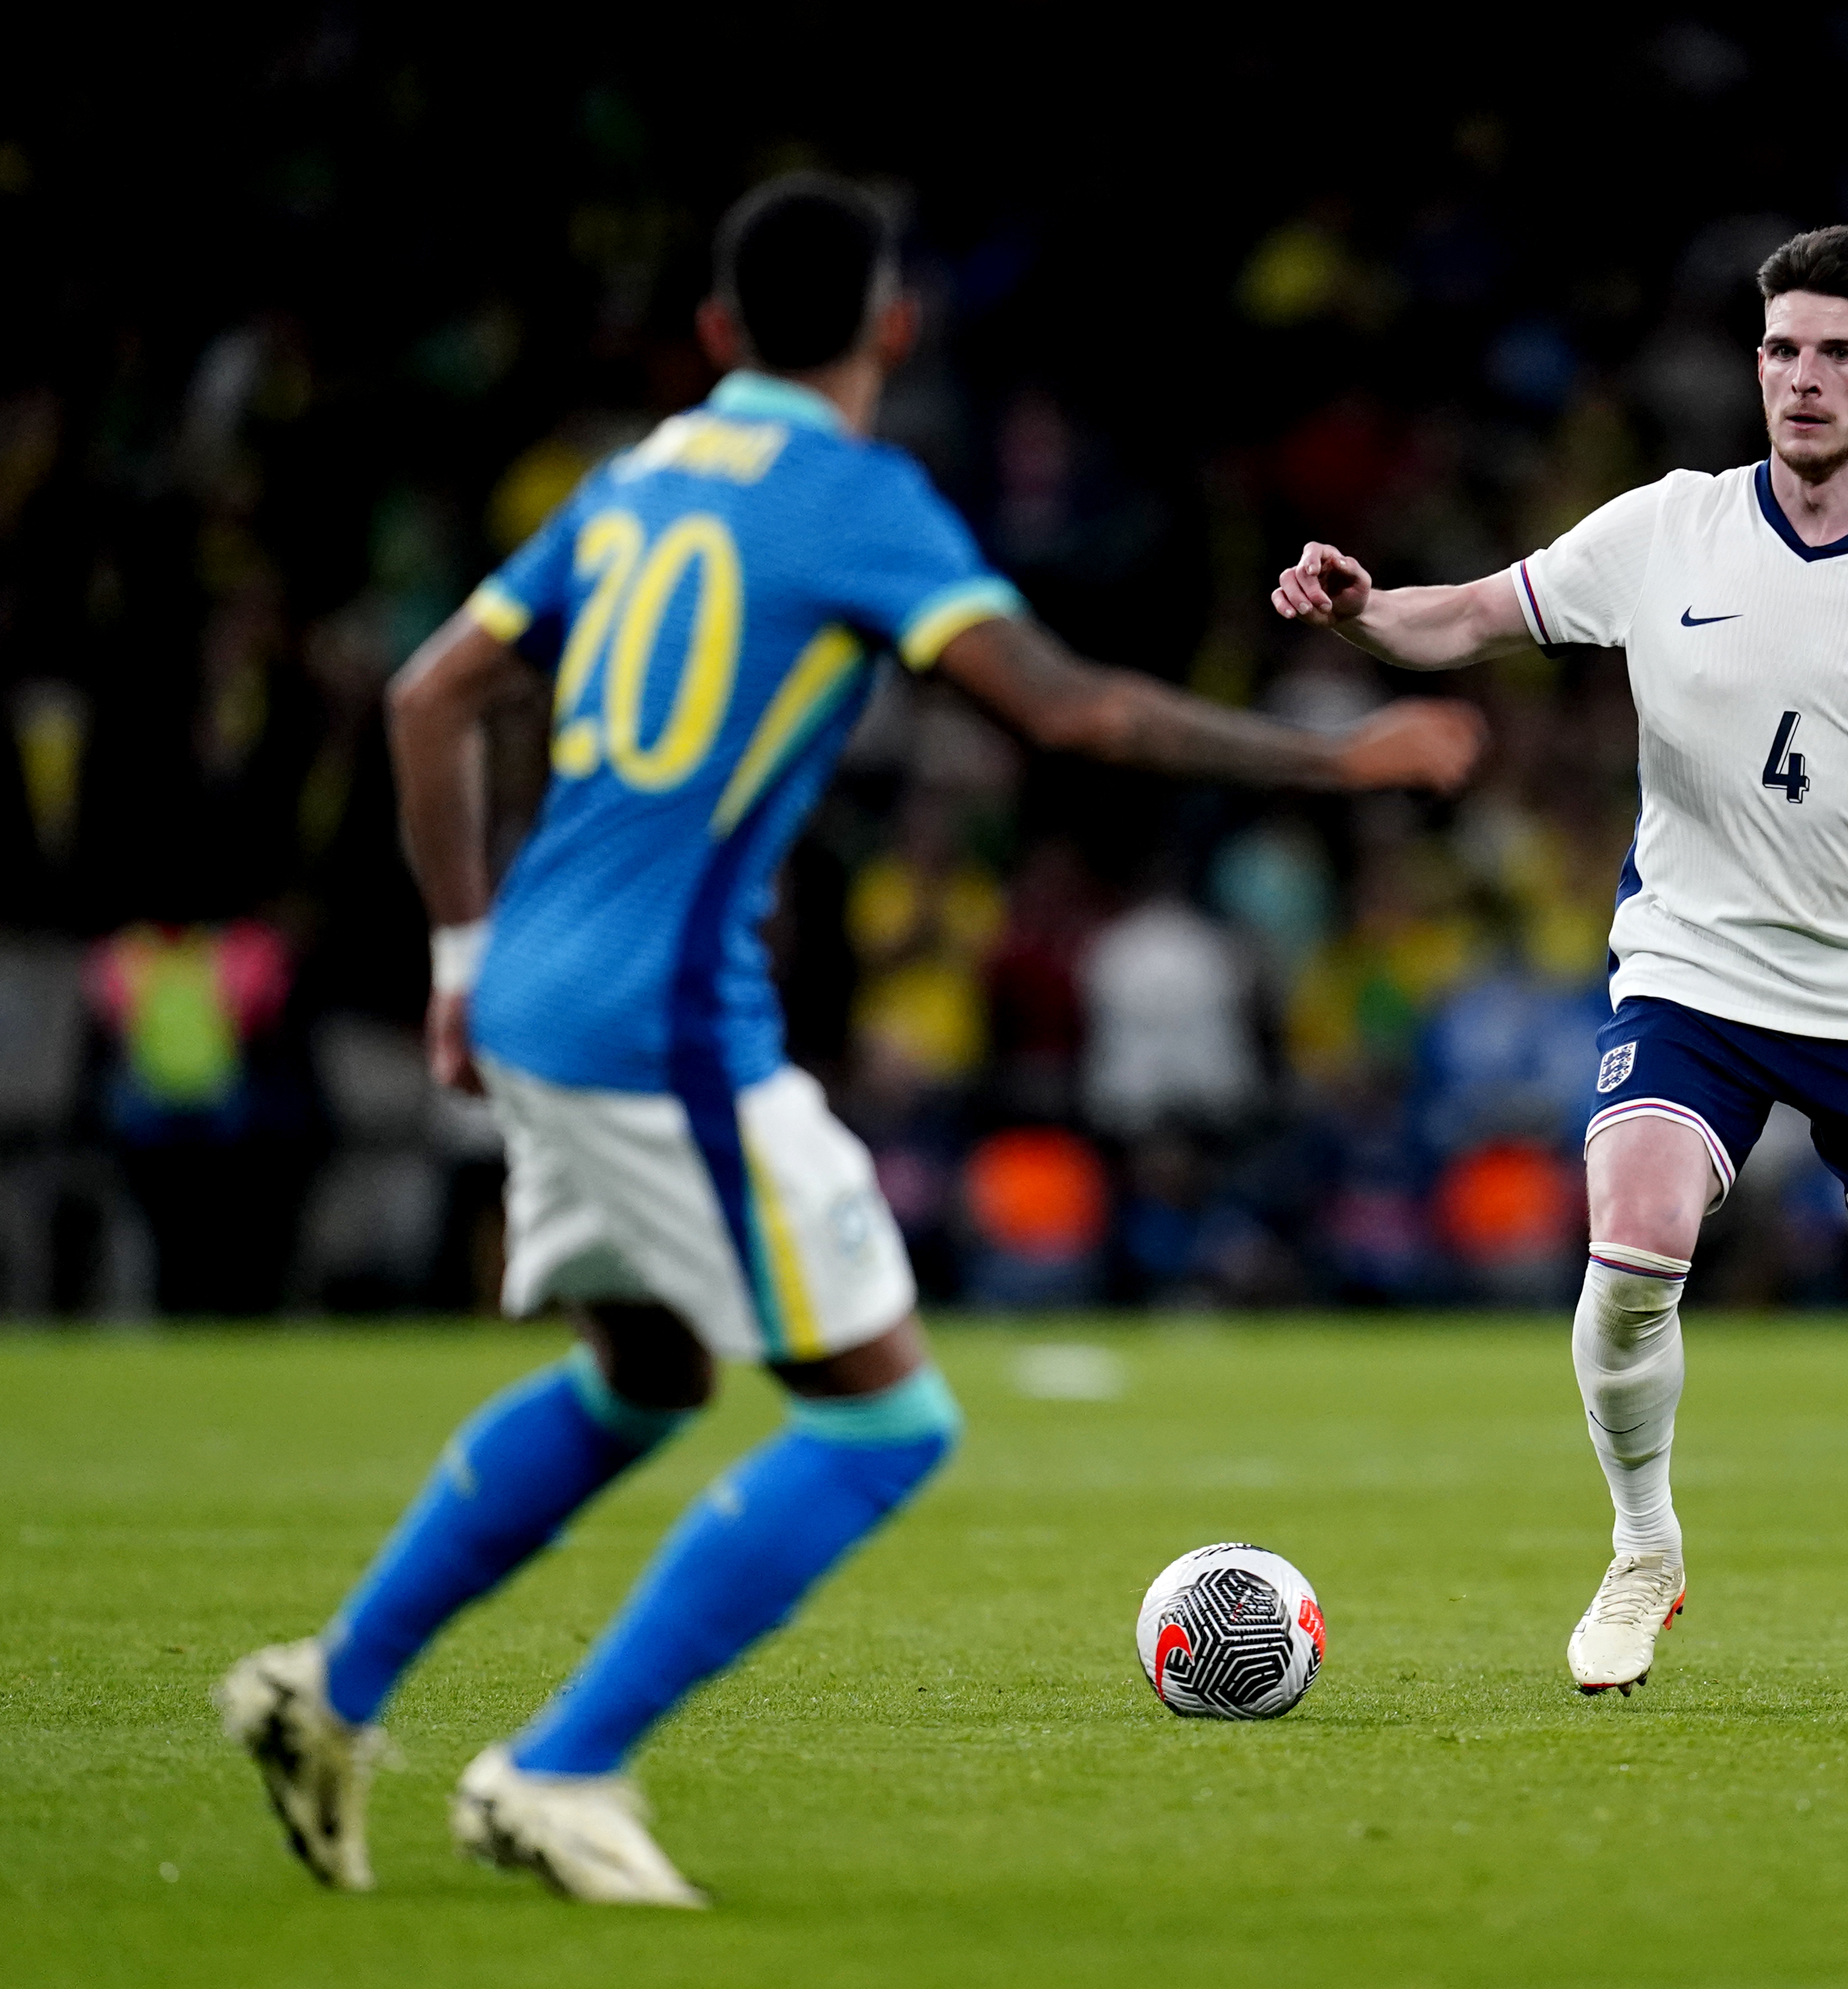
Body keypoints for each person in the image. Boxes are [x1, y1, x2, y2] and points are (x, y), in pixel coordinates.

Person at [215, 174, 1483, 1907]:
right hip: (664, 1014)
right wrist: (1337, 762)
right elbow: (1070, 709)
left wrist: (456, 952)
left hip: (532, 984)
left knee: (645, 1376)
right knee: (885, 1425)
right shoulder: (852, 499)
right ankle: (561, 1765)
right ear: (891, 330)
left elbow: (431, 692)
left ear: (719, 333)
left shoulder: (636, 477)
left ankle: (329, 1690)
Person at [1273, 225, 1848, 1710]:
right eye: (1779, 349)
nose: (1803, 379)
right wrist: (1365, 605)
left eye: (1837, 352)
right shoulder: (1666, 528)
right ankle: (1644, 1548)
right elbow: (1469, 619)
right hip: (1690, 965)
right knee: (1633, 1245)